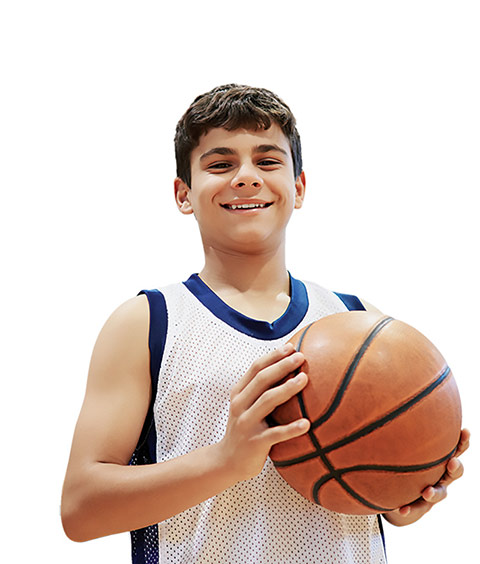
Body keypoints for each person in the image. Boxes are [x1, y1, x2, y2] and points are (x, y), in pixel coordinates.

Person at [61, 84, 469, 563]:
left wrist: (401, 492)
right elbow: (80, 510)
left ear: (298, 187)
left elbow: (377, 499)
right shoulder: (147, 323)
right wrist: (225, 460)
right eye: (220, 164)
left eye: (268, 160)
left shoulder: (359, 320)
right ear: (183, 194)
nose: (246, 177)